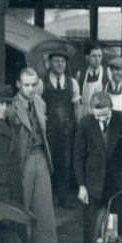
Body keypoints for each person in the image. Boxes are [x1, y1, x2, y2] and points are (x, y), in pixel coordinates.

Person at [8, 67, 61, 243]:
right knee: (21, 213)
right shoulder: (12, 107)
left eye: (34, 84)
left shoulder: (40, 102)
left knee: (45, 211)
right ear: (18, 85)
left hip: (41, 158)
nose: (31, 89)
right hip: (23, 161)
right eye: (26, 85)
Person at [74, 91, 122, 243]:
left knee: (114, 229)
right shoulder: (85, 123)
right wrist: (81, 186)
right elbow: (78, 156)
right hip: (93, 182)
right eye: (98, 116)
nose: (102, 119)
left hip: (115, 183)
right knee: (91, 227)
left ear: (111, 108)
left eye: (106, 115)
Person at [43, 51, 81, 208]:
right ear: (50, 63)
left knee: (65, 161)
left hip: (66, 130)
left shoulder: (73, 83)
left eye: (62, 62)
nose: (59, 64)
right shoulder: (41, 82)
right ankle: (48, 197)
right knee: (48, 161)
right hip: (48, 129)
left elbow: (77, 107)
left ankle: (63, 196)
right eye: (56, 61)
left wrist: (80, 127)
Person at [77, 42, 107, 118]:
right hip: (85, 116)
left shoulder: (108, 73)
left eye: (99, 56)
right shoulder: (80, 74)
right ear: (87, 57)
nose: (97, 59)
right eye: (94, 56)